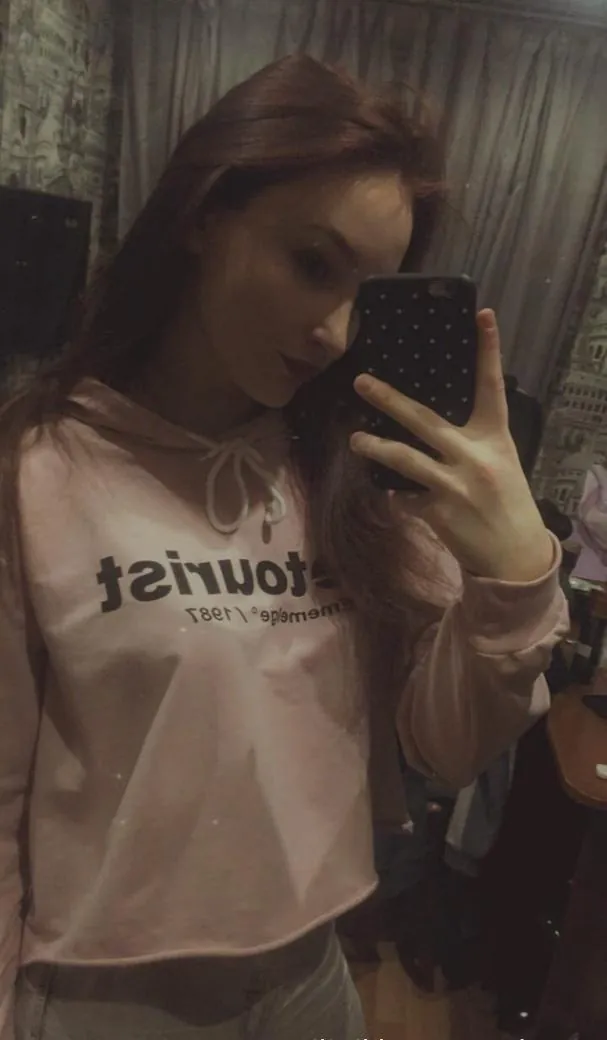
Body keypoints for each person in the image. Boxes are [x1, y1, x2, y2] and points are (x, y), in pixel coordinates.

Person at [0, 55, 568, 1040]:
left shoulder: (353, 480)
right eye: (312, 264)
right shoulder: (39, 469)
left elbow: (444, 746)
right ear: (203, 216)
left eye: (365, 292)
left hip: (311, 977)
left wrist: (512, 577)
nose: (336, 333)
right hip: (109, 995)